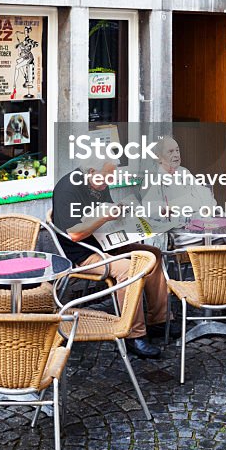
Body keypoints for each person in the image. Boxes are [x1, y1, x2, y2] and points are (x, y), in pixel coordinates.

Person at [52, 151, 176, 359]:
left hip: (106, 244)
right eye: (108, 176)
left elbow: (105, 211)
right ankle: (133, 335)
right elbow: (74, 233)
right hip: (83, 254)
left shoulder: (99, 183)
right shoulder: (68, 189)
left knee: (152, 255)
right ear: (91, 171)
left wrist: (124, 216)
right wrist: (105, 217)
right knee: (128, 270)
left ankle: (159, 321)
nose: (111, 180)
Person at [141, 137, 226, 294]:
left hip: (201, 223)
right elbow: (149, 210)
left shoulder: (184, 172)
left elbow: (208, 199)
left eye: (177, 150)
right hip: (179, 233)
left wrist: (195, 205)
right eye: (170, 151)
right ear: (158, 156)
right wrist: (171, 207)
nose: (176, 154)